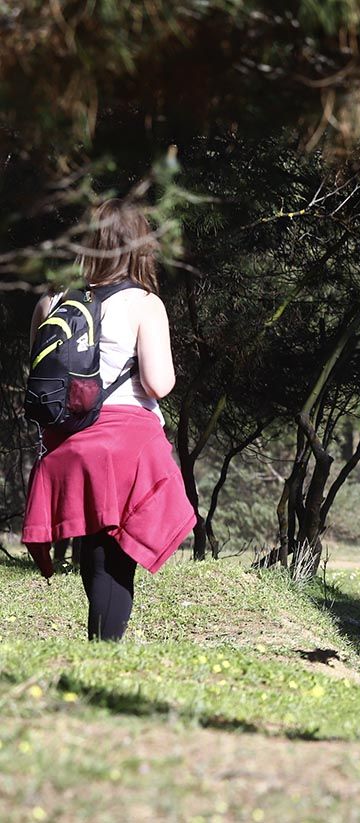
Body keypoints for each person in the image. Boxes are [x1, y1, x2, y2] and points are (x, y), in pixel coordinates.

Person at [22, 198, 196, 641]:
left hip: (70, 445)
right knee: (114, 560)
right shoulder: (144, 303)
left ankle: (98, 644)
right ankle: (103, 652)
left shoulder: (52, 301)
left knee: (94, 554)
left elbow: (42, 376)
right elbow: (159, 384)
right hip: (126, 446)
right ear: (139, 246)